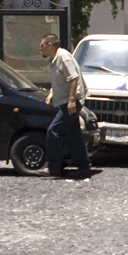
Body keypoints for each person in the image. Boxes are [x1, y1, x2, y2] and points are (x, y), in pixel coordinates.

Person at [39, 34, 92, 180]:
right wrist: (51, 93)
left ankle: (53, 167)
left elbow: (74, 78)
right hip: (65, 101)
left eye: (42, 45)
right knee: (73, 136)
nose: (40, 49)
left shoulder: (64, 57)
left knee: (54, 131)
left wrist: (71, 101)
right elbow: (62, 80)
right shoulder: (56, 59)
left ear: (49, 45)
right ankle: (84, 169)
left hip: (70, 102)